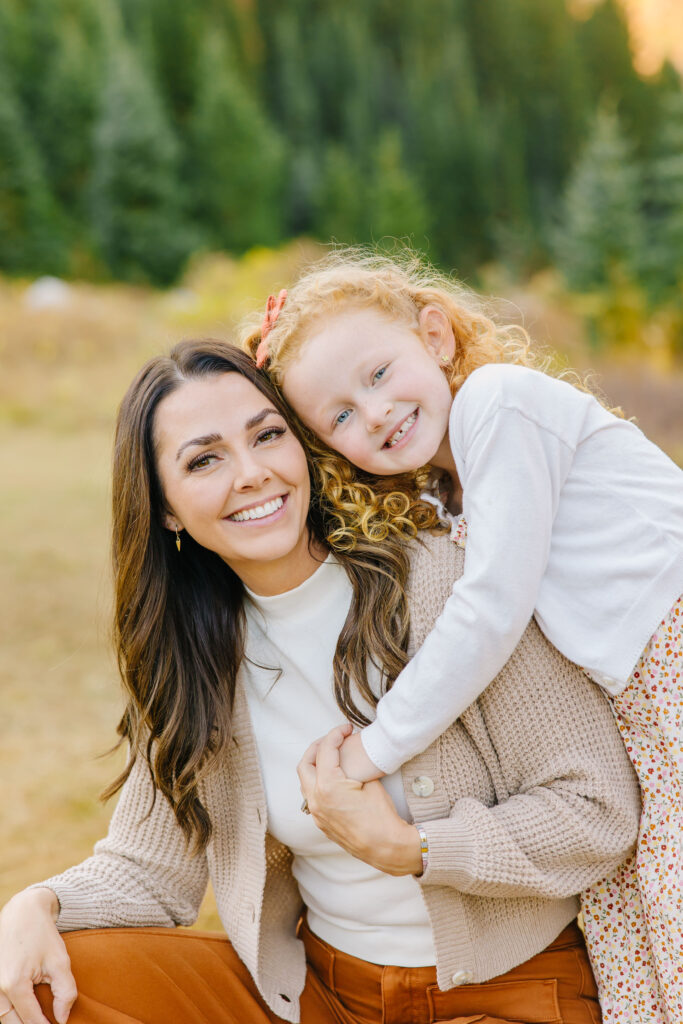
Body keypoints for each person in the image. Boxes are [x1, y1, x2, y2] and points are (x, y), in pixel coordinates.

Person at [0, 339, 639, 1024]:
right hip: (321, 996)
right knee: (38, 986)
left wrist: (412, 848)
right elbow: (148, 869)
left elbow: (596, 808)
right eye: (204, 459)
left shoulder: (450, 589)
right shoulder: (198, 661)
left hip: (514, 995)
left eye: (267, 436)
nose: (251, 474)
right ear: (166, 509)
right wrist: (35, 905)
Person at [241, 248, 683, 1023]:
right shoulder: (448, 493)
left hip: (669, 653)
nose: (372, 413)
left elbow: (490, 609)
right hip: (640, 699)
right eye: (339, 416)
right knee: (636, 912)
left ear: (436, 336)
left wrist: (374, 751)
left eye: (377, 374)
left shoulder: (498, 403)